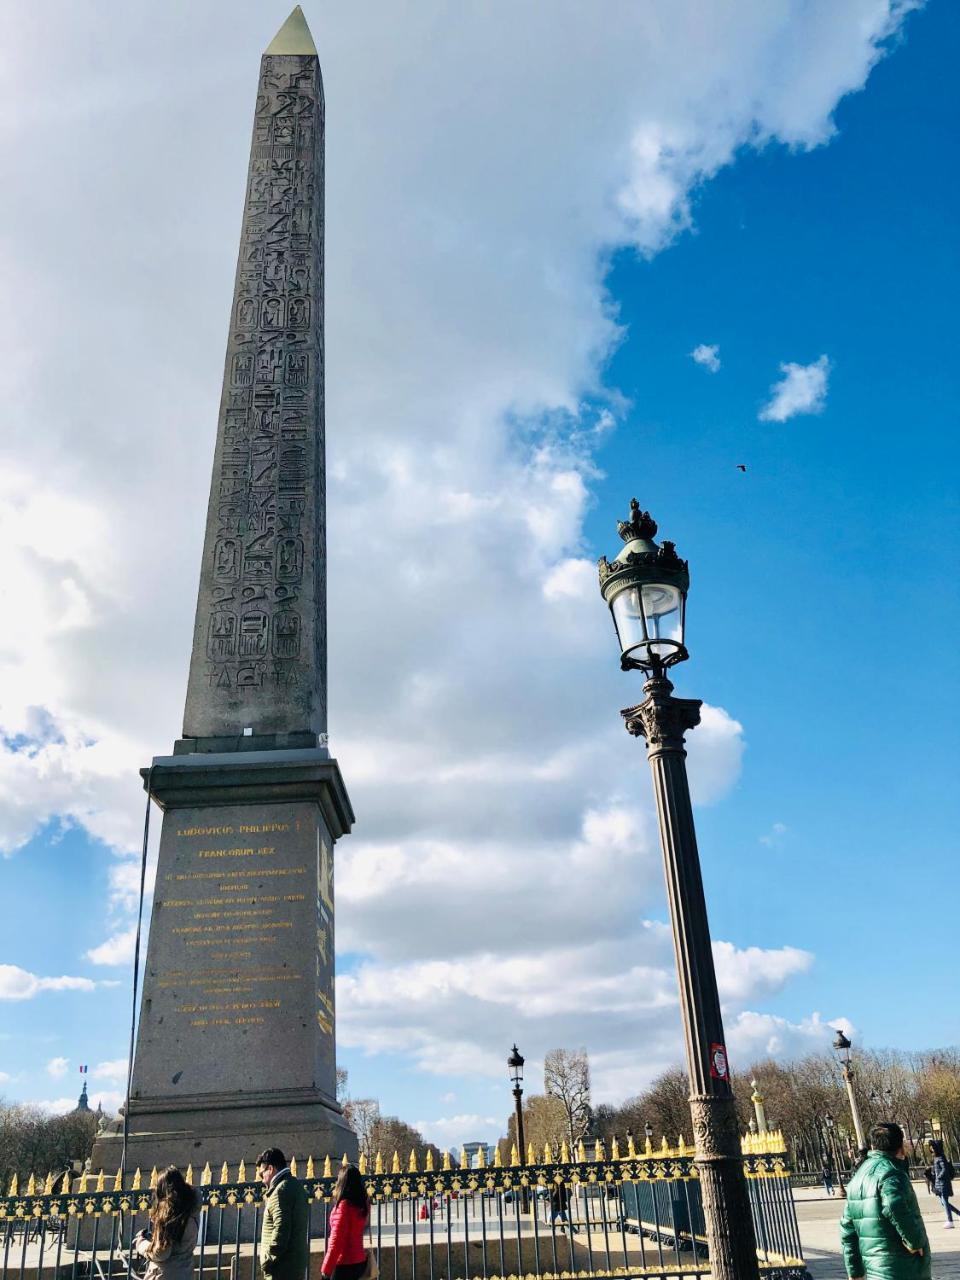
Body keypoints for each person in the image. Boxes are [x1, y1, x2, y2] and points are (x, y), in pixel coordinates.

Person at [840, 1123, 930, 1280]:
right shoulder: (892, 1173)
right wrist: (914, 1242)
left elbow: (847, 1227)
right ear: (900, 1146)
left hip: (875, 1269)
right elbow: (893, 1205)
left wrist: (854, 1270)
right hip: (902, 1267)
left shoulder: (858, 1177)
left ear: (873, 1146)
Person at [133, 1166, 201, 1280]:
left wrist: (141, 1243)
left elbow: (161, 1253)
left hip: (163, 1275)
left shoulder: (167, 1217)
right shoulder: (192, 1210)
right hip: (185, 1273)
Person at [257, 1148, 309, 1280]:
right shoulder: (296, 1186)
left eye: (261, 1174)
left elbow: (281, 1229)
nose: (262, 1180)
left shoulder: (280, 1192)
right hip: (294, 1264)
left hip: (280, 1269)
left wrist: (267, 1261)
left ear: (270, 1168)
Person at [320, 1164, 370, 1280]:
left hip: (344, 1264)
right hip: (359, 1261)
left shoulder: (344, 1206)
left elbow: (336, 1242)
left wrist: (325, 1270)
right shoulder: (362, 1204)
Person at [931, 1140, 960, 1228]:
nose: (931, 1149)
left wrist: (939, 1176)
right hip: (939, 1184)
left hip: (943, 1183)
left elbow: (944, 1169)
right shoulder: (936, 1158)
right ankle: (958, 1214)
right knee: (943, 1203)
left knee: (945, 1202)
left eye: (932, 1147)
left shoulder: (940, 1158)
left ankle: (950, 1221)